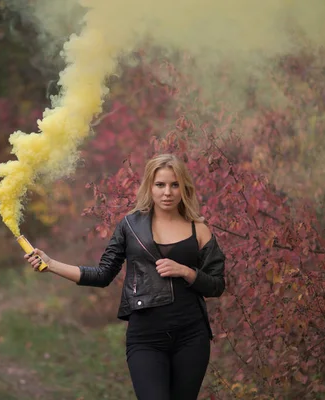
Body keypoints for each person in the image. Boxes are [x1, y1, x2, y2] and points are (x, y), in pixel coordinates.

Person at [25, 153, 226, 400]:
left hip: (191, 337)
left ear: (184, 187)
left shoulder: (200, 229)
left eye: (175, 185)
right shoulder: (130, 225)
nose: (167, 192)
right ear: (149, 187)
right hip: (146, 338)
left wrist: (185, 271)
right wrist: (51, 264)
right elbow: (102, 275)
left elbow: (217, 285)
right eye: (160, 185)